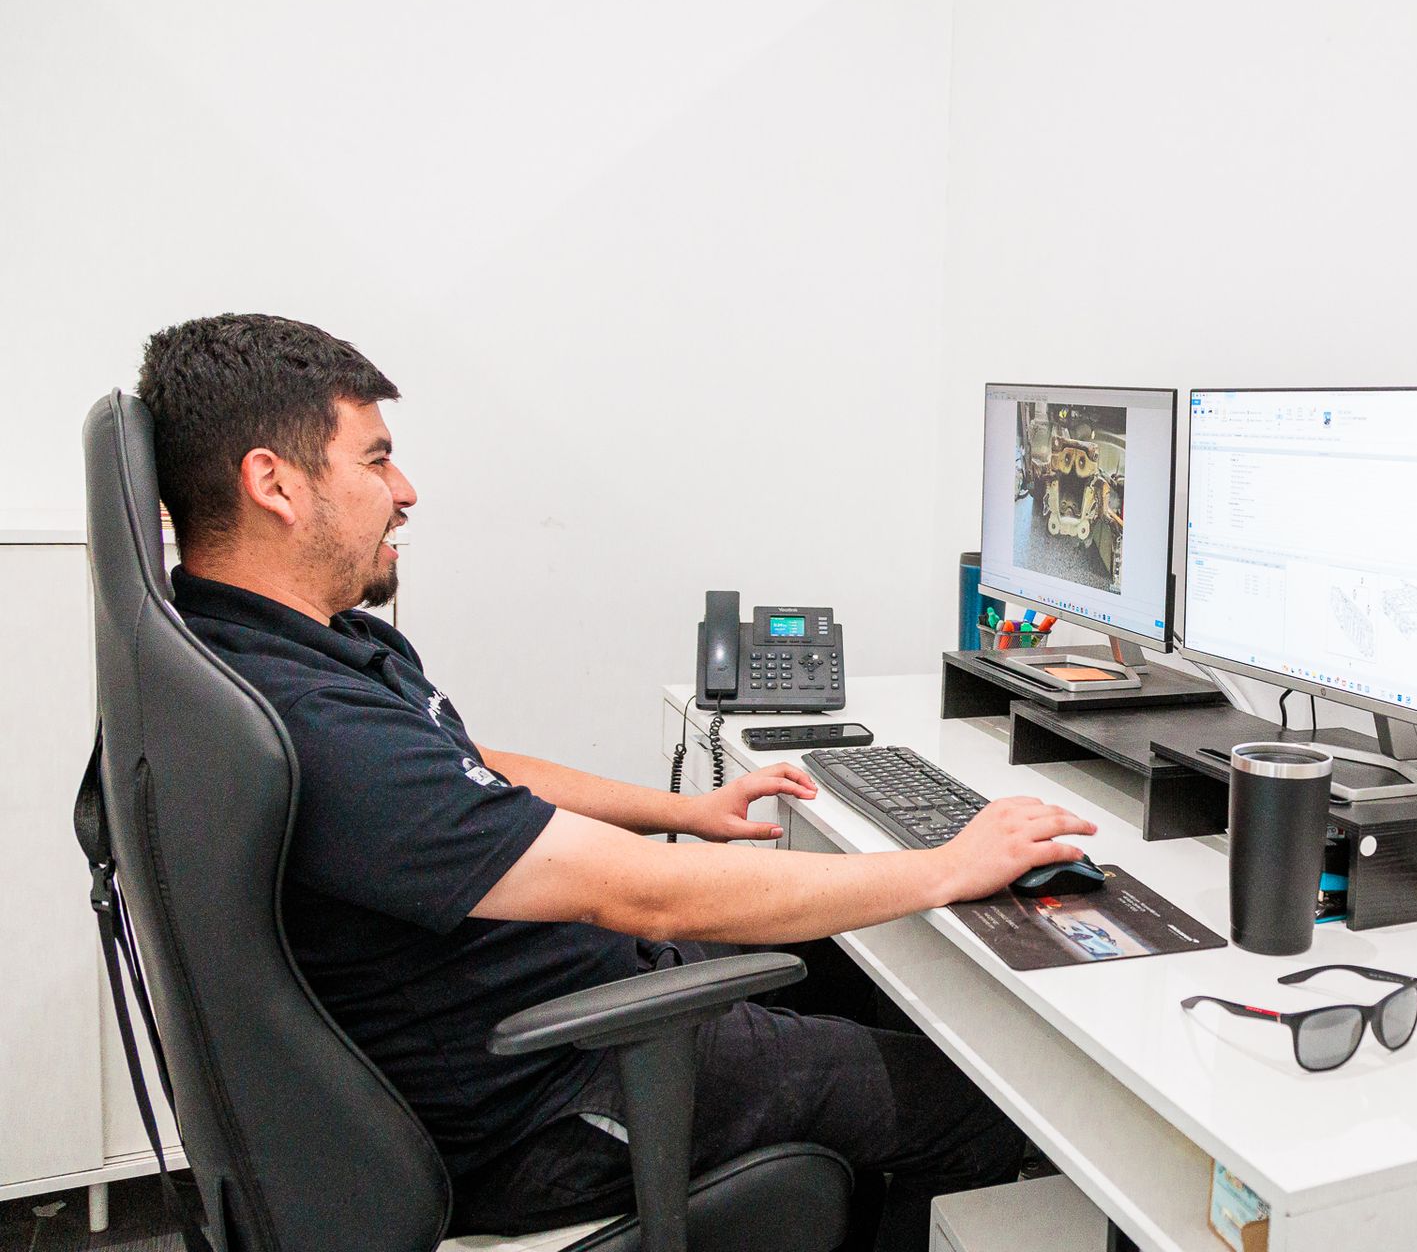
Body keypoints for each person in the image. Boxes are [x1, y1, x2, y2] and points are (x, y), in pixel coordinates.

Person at [137, 313, 1097, 1251]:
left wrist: (687, 808)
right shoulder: (308, 722)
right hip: (543, 1101)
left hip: (547, 1011)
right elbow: (640, 894)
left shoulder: (279, 647)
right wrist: (945, 866)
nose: (407, 489)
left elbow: (477, 767)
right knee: (978, 1099)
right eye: (376, 459)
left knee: (852, 973)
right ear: (274, 483)